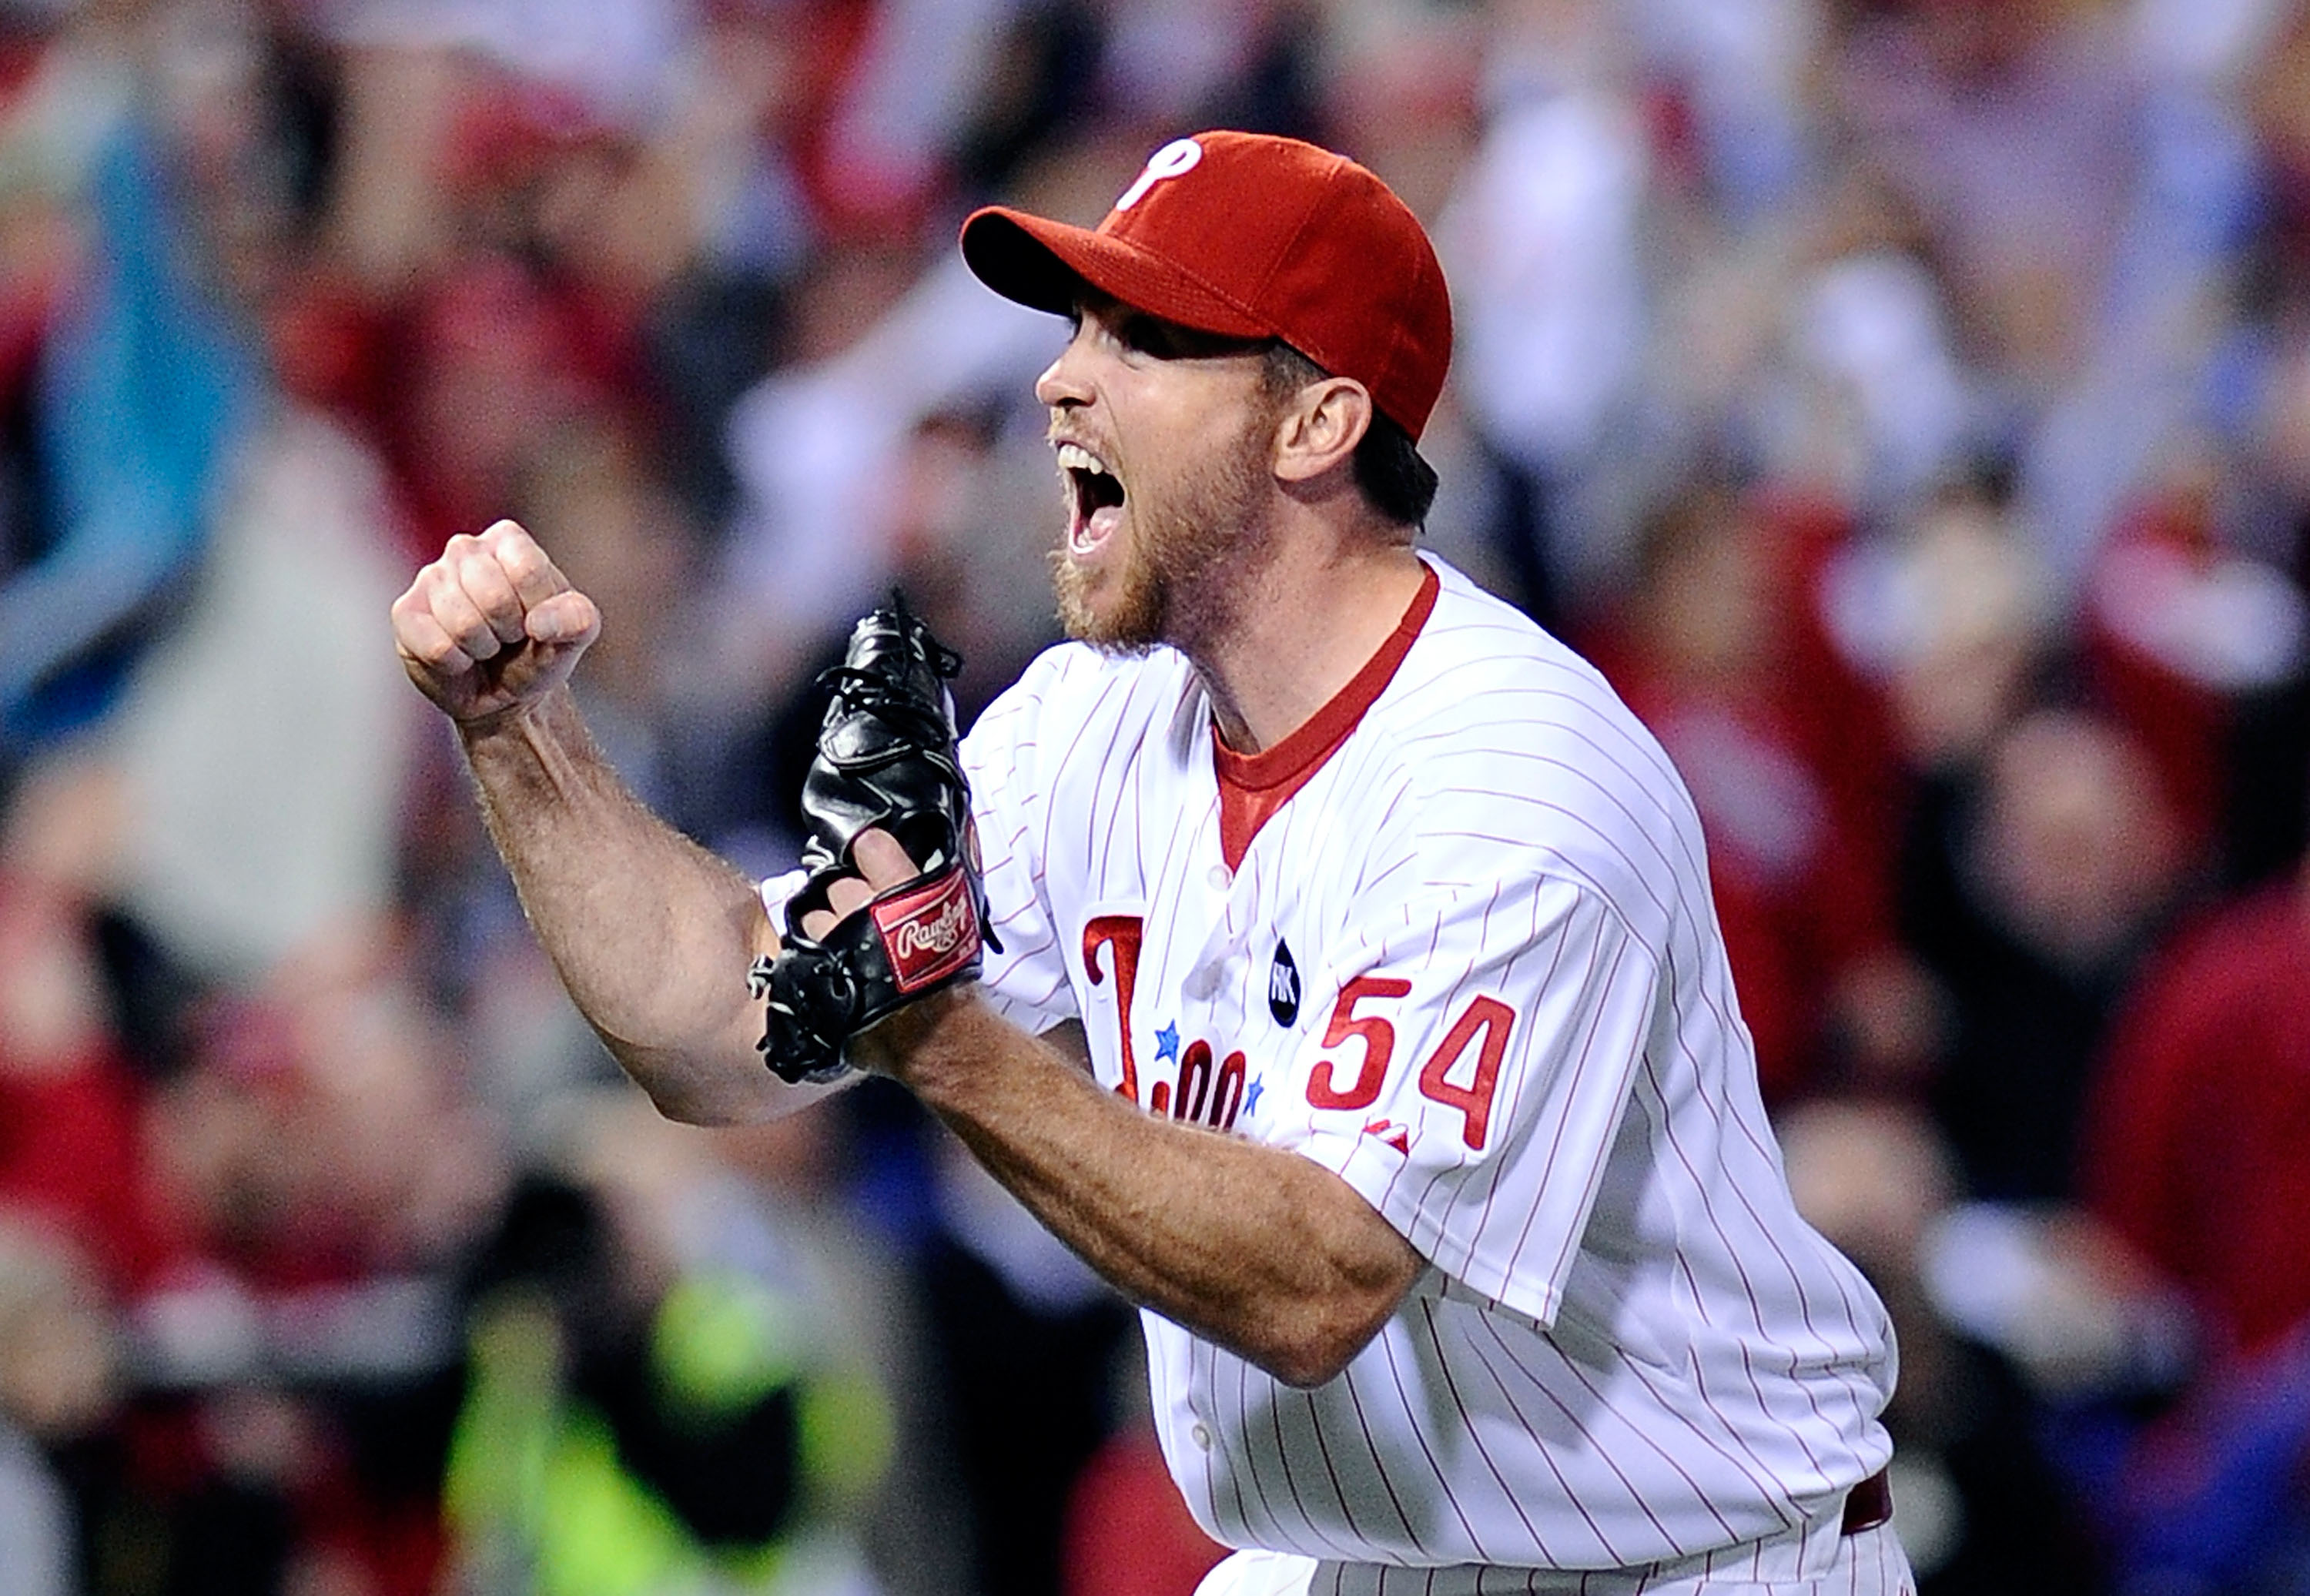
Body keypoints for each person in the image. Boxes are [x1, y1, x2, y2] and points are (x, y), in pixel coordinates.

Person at [392, 129, 1912, 1596]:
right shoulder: (1094, 725)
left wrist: (943, 1034)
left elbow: (1318, 1281)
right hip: (1367, 1559)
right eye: (1076, 329)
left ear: (1316, 423)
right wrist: (522, 735)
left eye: (1142, 338)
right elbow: (718, 1026)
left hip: (1691, 1563)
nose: (1059, 377)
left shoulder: (1508, 781)